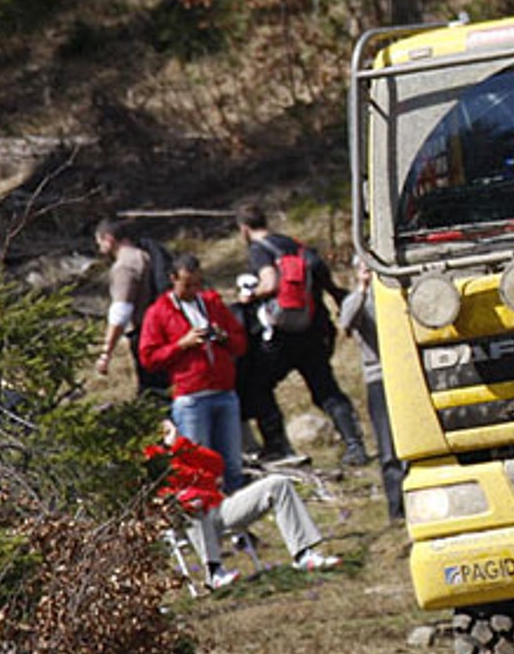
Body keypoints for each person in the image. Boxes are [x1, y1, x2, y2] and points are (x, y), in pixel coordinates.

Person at [235, 204, 370, 467]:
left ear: (244, 229)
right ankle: (355, 444)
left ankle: (277, 446)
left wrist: (249, 295)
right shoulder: (295, 245)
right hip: (313, 332)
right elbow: (326, 282)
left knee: (260, 387)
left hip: (279, 336)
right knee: (326, 389)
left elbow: (270, 282)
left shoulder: (259, 249)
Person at [147, 419, 339, 584]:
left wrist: (179, 445)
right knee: (191, 504)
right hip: (187, 520)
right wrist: (170, 457)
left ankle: (303, 554)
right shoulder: (148, 458)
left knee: (278, 483)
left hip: (218, 508)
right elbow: (171, 485)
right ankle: (214, 572)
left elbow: (216, 465)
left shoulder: (179, 448)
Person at [138, 253, 249, 495]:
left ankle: (239, 526)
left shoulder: (212, 304)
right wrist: (181, 345)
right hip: (191, 399)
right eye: (187, 285)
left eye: (197, 284)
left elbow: (240, 343)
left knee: (232, 466)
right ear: (172, 279)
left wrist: (223, 337)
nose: (193, 290)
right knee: (197, 467)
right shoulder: (158, 312)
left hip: (224, 393)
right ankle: (205, 523)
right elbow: (148, 357)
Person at [337, 257, 407, 523]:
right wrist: (363, 288)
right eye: (363, 267)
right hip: (378, 377)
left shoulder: (394, 293)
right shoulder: (356, 300)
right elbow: (346, 323)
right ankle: (396, 508)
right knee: (387, 445)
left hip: (405, 373)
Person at [93, 220, 169, 396]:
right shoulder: (146, 255)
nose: (99, 248)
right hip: (164, 329)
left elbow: (121, 311)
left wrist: (106, 353)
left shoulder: (124, 266)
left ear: (109, 239)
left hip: (145, 335)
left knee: (153, 392)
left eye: (100, 242)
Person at [231, 271, 294, 462]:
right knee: (246, 410)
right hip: (244, 369)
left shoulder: (267, 309)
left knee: (265, 408)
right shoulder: (236, 311)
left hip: (260, 367)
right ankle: (251, 449)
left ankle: (277, 447)